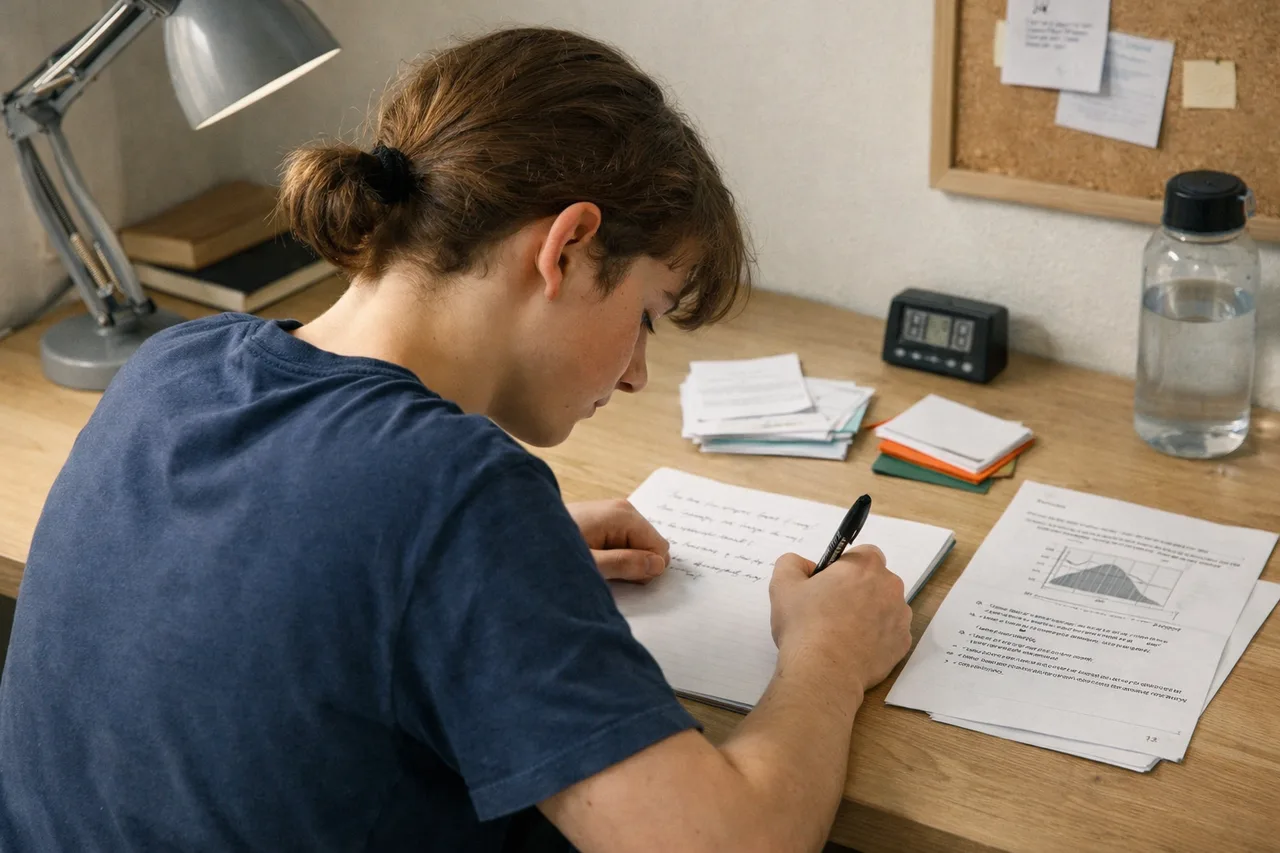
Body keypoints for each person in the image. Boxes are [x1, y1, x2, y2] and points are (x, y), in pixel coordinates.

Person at [0, 25, 912, 853]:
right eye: (647, 314)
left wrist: (499, 582)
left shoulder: (175, 368)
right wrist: (827, 655)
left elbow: (291, 586)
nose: (636, 372)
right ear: (567, 246)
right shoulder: (458, 493)